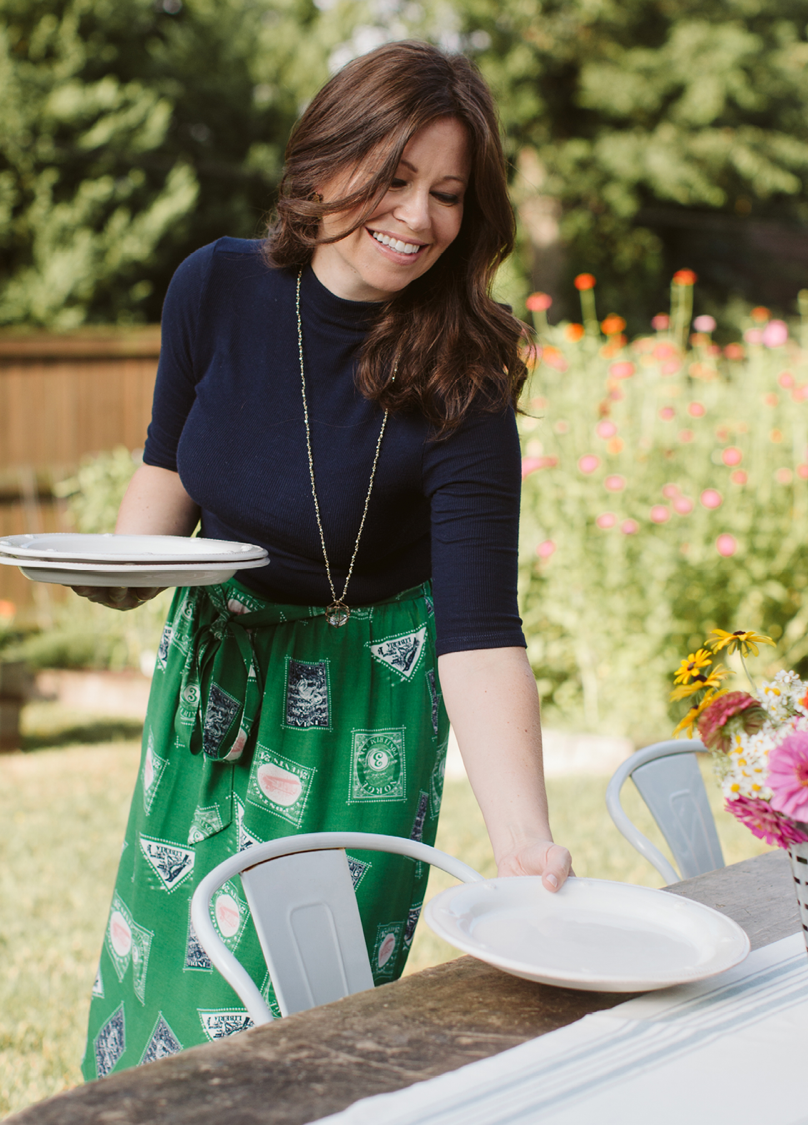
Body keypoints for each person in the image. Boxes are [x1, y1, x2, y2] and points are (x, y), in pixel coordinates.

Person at [77, 40, 571, 1080]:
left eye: (446, 192)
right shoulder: (213, 288)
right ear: (323, 162)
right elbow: (162, 485)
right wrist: (113, 574)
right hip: (210, 682)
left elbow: (479, 631)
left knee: (285, 1027)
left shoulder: (467, 370)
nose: (419, 215)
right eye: (393, 176)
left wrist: (524, 838)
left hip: (362, 709)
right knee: (159, 980)